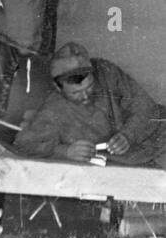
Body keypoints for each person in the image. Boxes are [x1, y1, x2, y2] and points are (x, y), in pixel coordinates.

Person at [13, 42, 166, 167]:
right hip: (122, 162)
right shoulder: (54, 108)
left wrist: (128, 135)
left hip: (157, 137)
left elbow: (145, 106)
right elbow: (24, 144)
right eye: (75, 93)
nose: (85, 96)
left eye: (89, 86)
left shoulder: (106, 72)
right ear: (58, 88)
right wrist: (65, 151)